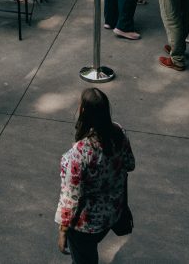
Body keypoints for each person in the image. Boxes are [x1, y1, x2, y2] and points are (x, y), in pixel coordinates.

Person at [55, 88, 135, 263]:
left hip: (86, 225)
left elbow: (70, 198)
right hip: (112, 213)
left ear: (83, 111)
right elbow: (130, 164)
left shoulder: (80, 153)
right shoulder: (119, 133)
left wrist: (62, 231)